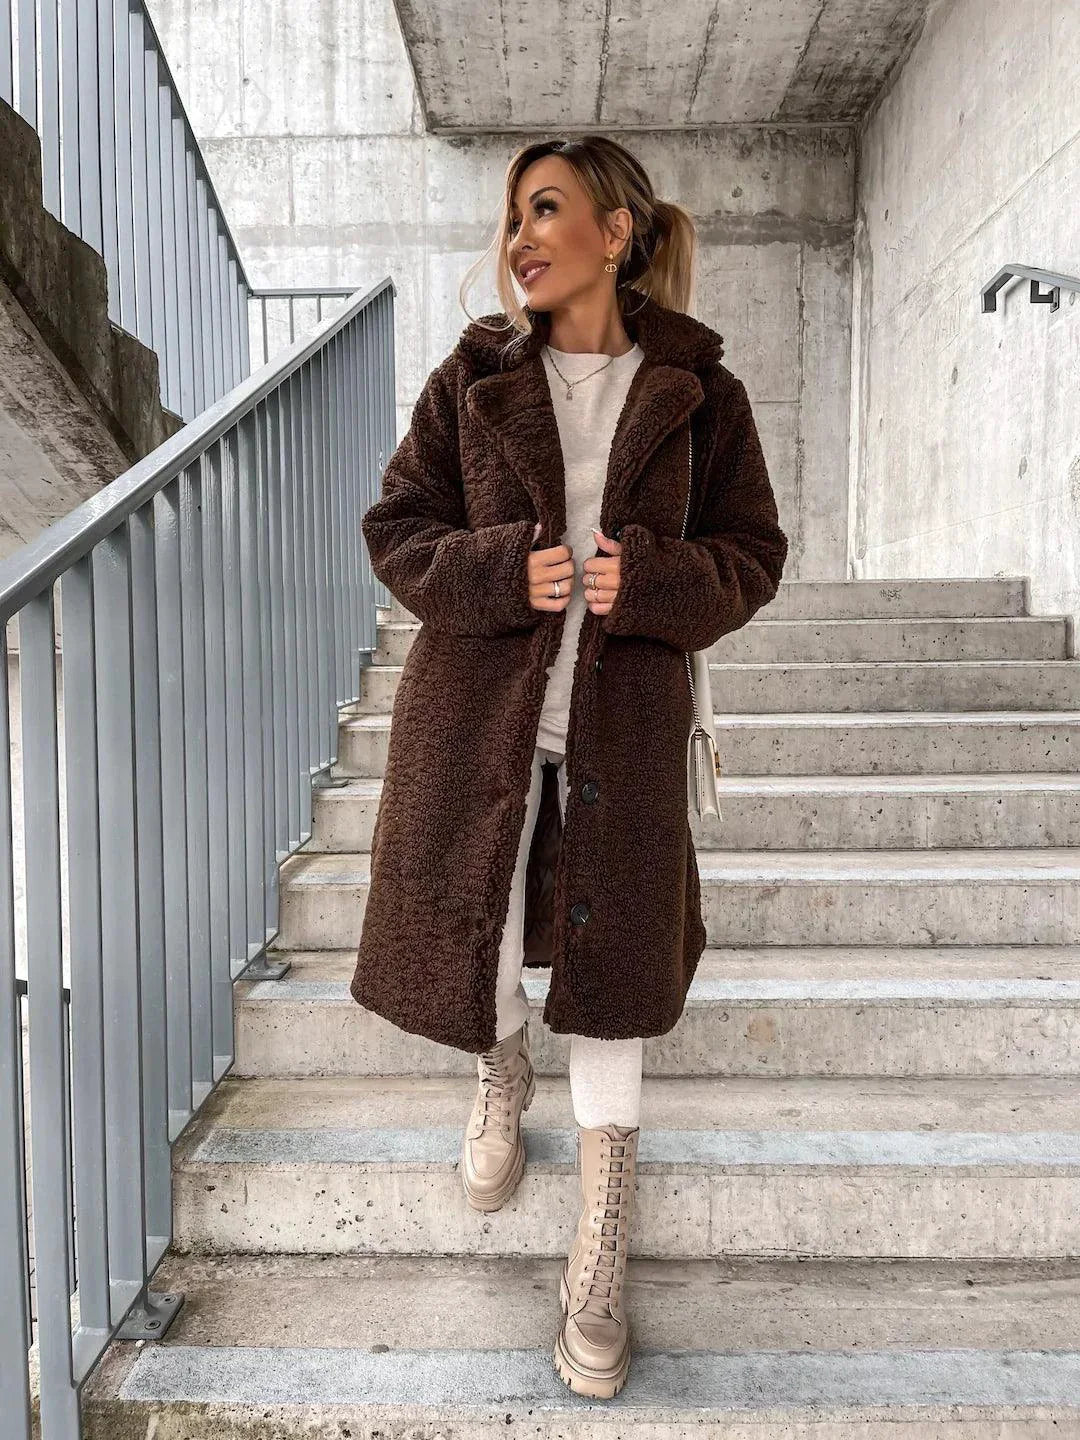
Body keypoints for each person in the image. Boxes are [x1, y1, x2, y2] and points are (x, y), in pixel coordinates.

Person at [352, 133, 789, 1401]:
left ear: (615, 231)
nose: (520, 238)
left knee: (613, 973)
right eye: (511, 218)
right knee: (478, 929)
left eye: (544, 210)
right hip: (477, 714)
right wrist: (503, 569)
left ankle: (601, 1240)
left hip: (626, 727)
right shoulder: (472, 376)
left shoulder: (703, 393)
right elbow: (398, 527)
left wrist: (646, 581)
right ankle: (500, 1065)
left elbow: (753, 556)